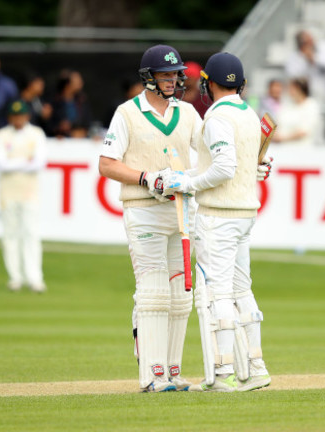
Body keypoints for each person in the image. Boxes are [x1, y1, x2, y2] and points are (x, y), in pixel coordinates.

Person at [161, 52, 271, 392]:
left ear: (208, 83)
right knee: (242, 288)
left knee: (218, 293)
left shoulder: (217, 116)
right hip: (244, 212)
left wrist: (188, 185)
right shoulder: (251, 115)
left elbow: (224, 167)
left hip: (219, 215)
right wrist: (183, 176)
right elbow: (243, 165)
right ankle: (256, 367)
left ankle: (222, 374)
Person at [98, 45, 202, 393]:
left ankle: (172, 371)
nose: (172, 80)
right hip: (143, 209)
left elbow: (212, 151)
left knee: (180, 295)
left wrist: (252, 164)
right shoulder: (127, 113)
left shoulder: (187, 113)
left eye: (175, 74)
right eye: (165, 74)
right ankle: (152, 374)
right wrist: (147, 177)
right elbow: (107, 164)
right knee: (154, 292)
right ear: (149, 77)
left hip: (181, 211)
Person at [0, 100, 47, 293]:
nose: (18, 119)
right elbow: (1, 164)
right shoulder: (2, 135)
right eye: (14, 116)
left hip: (29, 191)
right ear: (10, 117)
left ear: (27, 116)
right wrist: (26, 160)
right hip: (7, 192)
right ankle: (15, 277)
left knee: (31, 233)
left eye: (21, 115)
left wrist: (14, 162)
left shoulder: (36, 134)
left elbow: (39, 163)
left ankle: (35, 278)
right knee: (10, 234)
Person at [284, 29, 325, 99]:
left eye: (311, 39)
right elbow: (292, 75)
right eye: (306, 42)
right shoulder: (293, 57)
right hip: (304, 95)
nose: (311, 43)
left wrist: (314, 59)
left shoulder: (324, 49)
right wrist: (305, 59)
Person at [272, 78, 320, 147]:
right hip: (282, 148)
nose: (290, 91)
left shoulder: (311, 105)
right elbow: (277, 123)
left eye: (292, 88)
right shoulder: (287, 104)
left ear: (300, 89)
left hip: (301, 150)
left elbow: (304, 131)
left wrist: (282, 138)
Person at [50, 69, 92, 138]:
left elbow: (87, 121)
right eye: (77, 81)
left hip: (80, 139)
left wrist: (81, 131)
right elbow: (50, 124)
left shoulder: (82, 101)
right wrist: (59, 128)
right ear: (68, 84)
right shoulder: (54, 101)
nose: (81, 83)